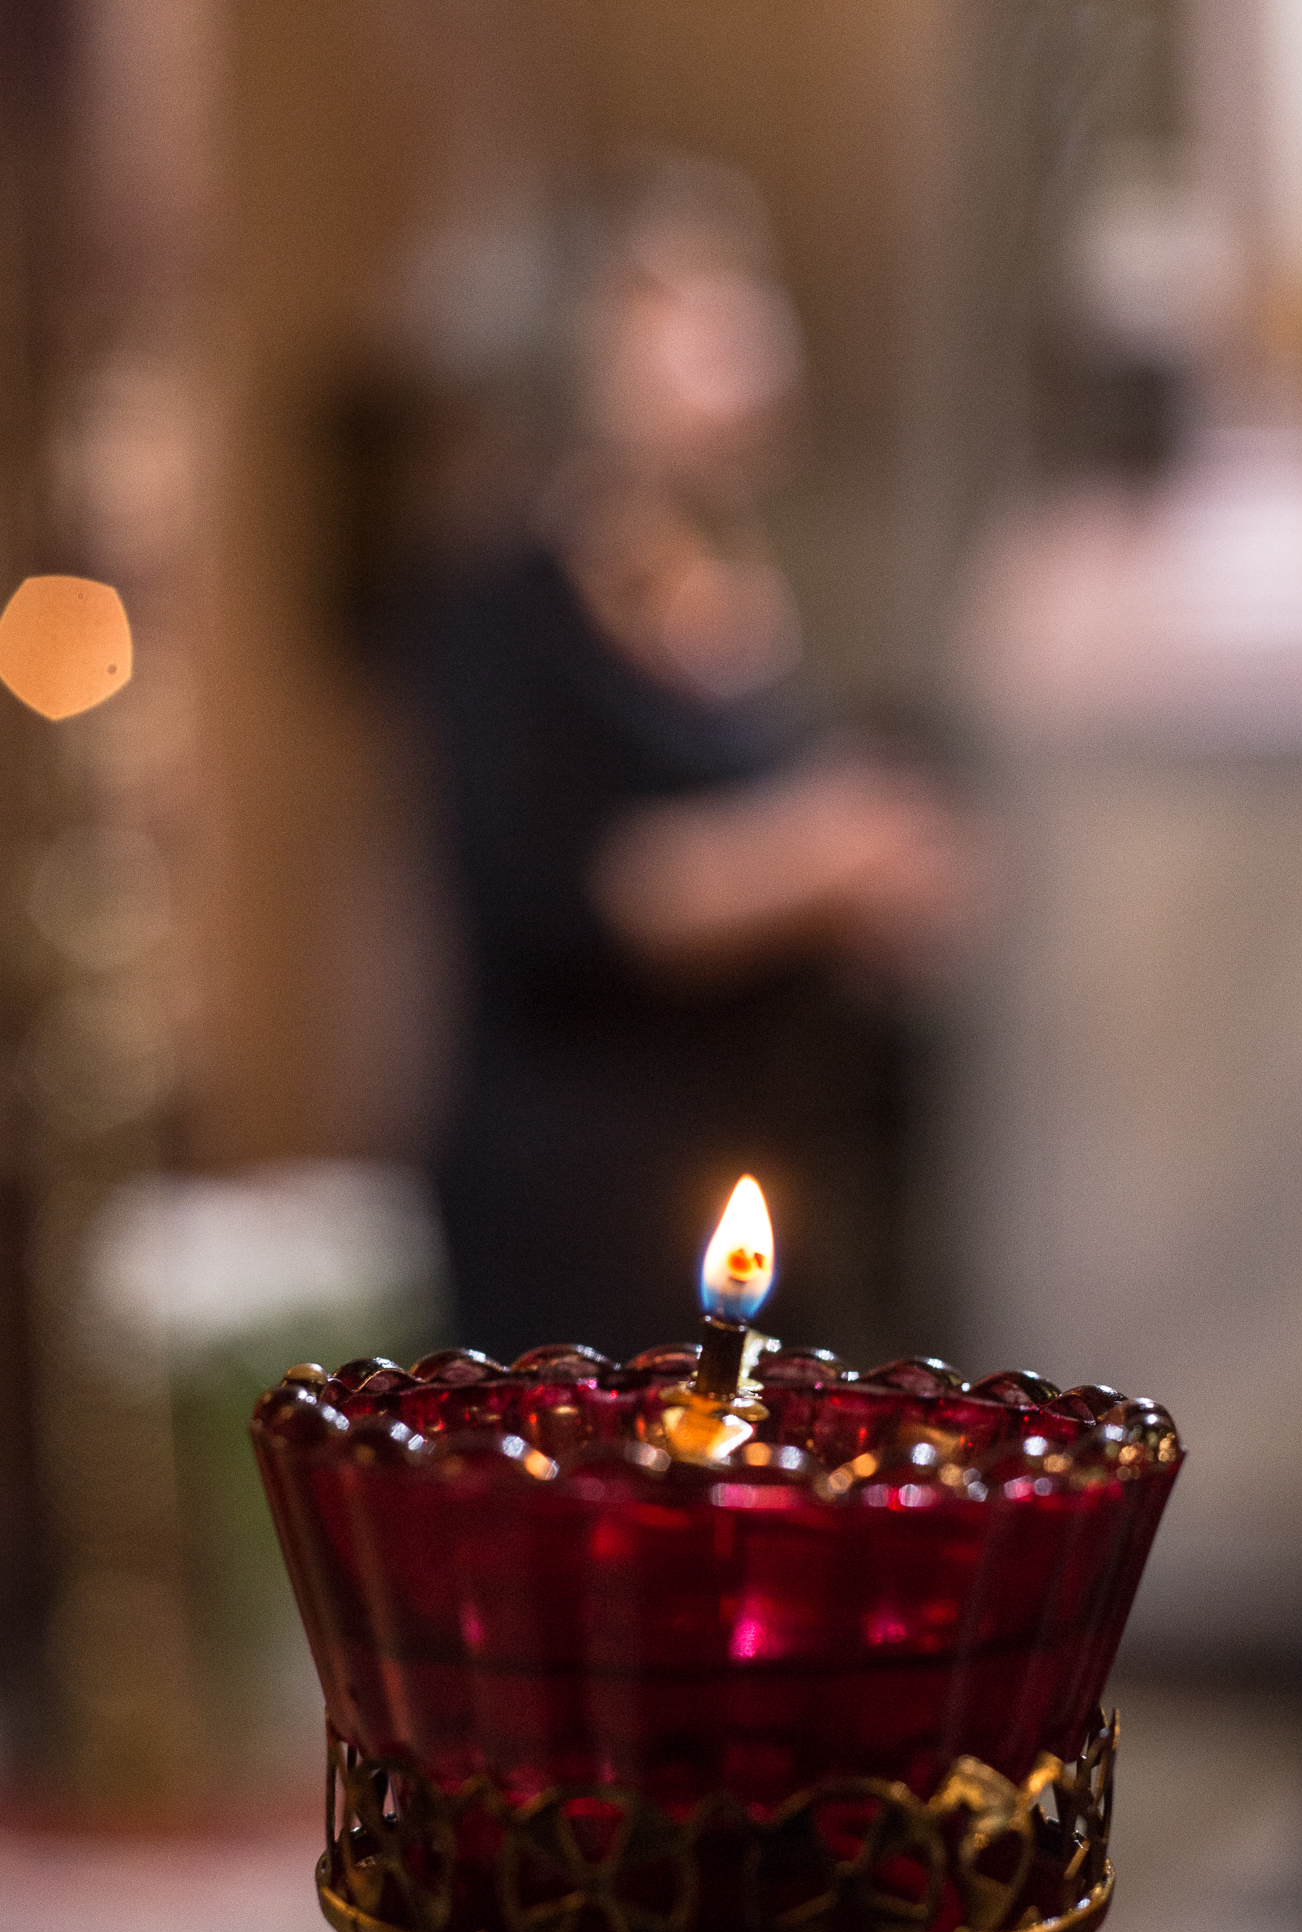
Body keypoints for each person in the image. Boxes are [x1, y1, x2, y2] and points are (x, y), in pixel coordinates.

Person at [372, 157, 976, 1364]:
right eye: (682, 304)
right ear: (581, 352)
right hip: (580, 1192)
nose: (742, 338)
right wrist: (824, 855)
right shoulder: (504, 603)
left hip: (752, 1155)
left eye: (744, 295)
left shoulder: (734, 594)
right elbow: (564, 893)